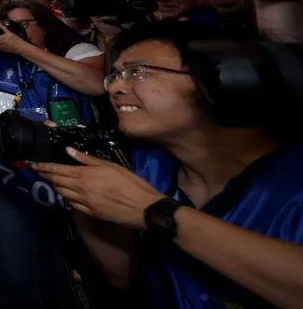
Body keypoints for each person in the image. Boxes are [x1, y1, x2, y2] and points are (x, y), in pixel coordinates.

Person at [36, 21, 303, 308]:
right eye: (114, 75)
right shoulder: (150, 165)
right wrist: (79, 187)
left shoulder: (293, 184)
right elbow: (124, 276)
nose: (115, 86)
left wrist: (154, 212)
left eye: (136, 72)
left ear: (220, 78)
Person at [0, 0, 104, 309]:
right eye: (10, 27)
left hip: (71, 187)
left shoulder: (73, 53)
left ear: (44, 26)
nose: (18, 32)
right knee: (16, 274)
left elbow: (95, 84)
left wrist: (21, 47)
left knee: (65, 272)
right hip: (8, 180)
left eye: (25, 24)